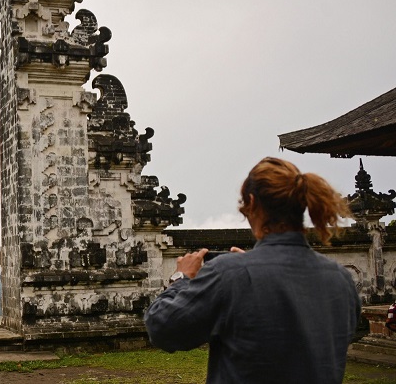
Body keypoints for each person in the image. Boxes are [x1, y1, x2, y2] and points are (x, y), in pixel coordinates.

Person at [144, 157, 361, 384]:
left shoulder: (230, 274)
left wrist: (181, 278)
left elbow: (163, 329)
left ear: (252, 202)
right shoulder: (341, 279)